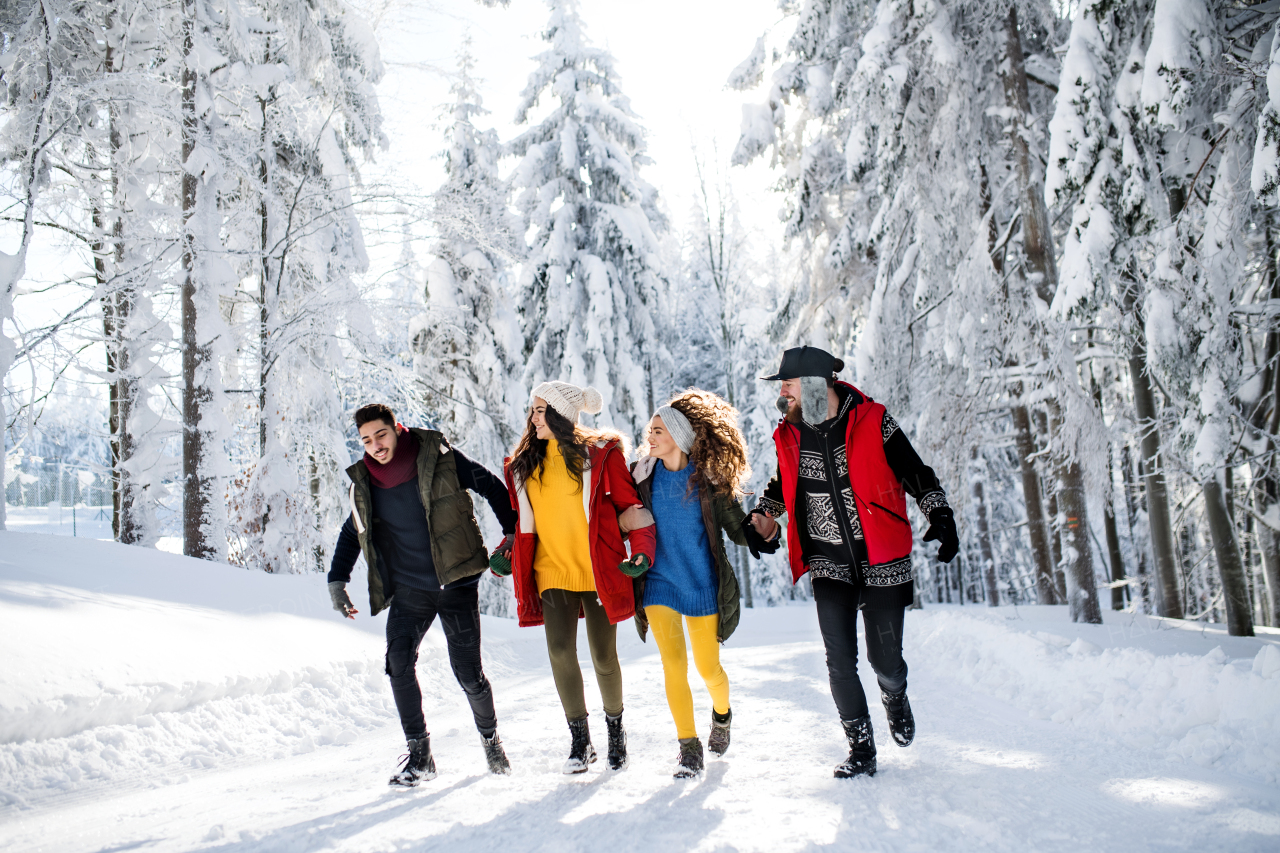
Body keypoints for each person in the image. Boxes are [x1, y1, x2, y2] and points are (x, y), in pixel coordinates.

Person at [749, 347, 959, 779]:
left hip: (881, 554)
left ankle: (894, 694)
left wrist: (939, 514)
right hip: (829, 560)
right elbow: (782, 482)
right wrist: (764, 521)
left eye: (786, 384)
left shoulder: (872, 419)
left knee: (885, 661)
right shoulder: (790, 433)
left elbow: (913, 470)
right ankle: (861, 749)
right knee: (839, 660)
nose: (781, 393)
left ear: (813, 384)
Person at [327, 403, 518, 787]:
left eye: (380, 434)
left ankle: (491, 739)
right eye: (366, 440)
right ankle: (420, 756)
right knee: (397, 661)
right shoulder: (364, 482)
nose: (375, 445)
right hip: (411, 589)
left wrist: (511, 533)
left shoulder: (439, 456)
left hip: (456, 581)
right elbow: (354, 531)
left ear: (396, 428)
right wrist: (337, 580)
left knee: (468, 673)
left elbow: (490, 485)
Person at [489, 381, 655, 774]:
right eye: (532, 409)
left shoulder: (600, 455)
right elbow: (520, 521)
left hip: (598, 569)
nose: (533, 417)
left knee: (602, 656)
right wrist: (506, 549)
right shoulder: (523, 464)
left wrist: (642, 550)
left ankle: (615, 731)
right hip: (551, 569)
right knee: (560, 652)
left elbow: (631, 508)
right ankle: (581, 742)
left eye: (542, 410)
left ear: (562, 415)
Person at [627, 389, 778, 778]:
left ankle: (722, 715)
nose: (651, 437)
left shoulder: (708, 481)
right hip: (658, 584)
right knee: (673, 666)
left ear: (678, 435)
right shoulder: (641, 476)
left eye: (658, 430)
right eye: (650, 430)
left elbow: (737, 527)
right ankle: (689, 748)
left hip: (701, 586)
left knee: (709, 668)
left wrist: (762, 533)